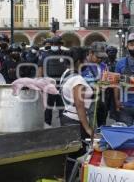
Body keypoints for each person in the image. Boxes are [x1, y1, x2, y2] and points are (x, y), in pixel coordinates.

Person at [59, 46, 95, 181]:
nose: (87, 61)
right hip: (76, 121)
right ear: (79, 61)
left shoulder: (67, 73)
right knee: (76, 157)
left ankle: (68, 178)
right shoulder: (78, 80)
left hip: (67, 116)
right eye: (86, 58)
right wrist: (87, 128)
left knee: (70, 157)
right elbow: (80, 105)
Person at [38, 36, 67, 125]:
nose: (55, 45)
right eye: (53, 44)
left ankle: (64, 126)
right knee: (48, 107)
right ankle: (47, 125)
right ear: (50, 44)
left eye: (57, 44)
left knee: (62, 107)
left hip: (61, 84)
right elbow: (40, 69)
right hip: (48, 85)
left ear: (60, 45)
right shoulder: (44, 54)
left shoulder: (65, 54)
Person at [81, 42, 108, 127]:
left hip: (100, 98)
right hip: (87, 101)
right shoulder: (82, 65)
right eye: (98, 57)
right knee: (91, 124)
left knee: (102, 123)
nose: (100, 59)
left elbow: (105, 79)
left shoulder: (103, 65)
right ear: (91, 53)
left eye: (102, 58)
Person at [104, 45, 118, 121]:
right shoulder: (103, 63)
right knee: (104, 110)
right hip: (106, 89)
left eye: (113, 52)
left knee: (116, 109)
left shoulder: (118, 63)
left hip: (115, 89)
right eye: (110, 52)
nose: (111, 53)